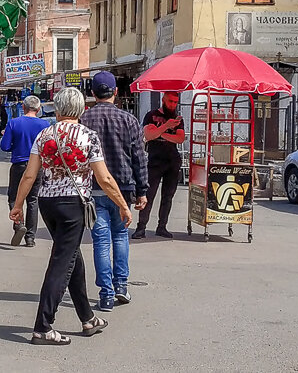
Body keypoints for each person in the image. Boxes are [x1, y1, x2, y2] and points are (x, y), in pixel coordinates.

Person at [10, 86, 128, 346]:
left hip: (47, 203)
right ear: (81, 109)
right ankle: (43, 325)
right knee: (61, 263)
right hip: (73, 205)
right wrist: (122, 204)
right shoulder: (88, 136)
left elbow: (29, 175)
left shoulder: (44, 135)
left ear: (58, 108)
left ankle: (87, 318)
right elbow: (104, 177)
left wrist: (18, 204)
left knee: (71, 255)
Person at [80, 71, 147, 312]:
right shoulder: (129, 120)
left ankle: (105, 294)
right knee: (120, 237)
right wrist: (142, 190)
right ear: (116, 92)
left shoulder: (84, 120)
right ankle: (121, 286)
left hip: (95, 187)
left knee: (100, 241)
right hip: (124, 188)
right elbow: (139, 158)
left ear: (92, 93)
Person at [135, 91, 186, 239]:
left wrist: (160, 133)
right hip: (155, 160)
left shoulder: (177, 119)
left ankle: (162, 226)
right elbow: (148, 135)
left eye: (175, 102)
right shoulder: (151, 115)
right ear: (163, 99)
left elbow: (180, 138)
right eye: (170, 101)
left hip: (172, 160)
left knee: (168, 196)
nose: (173, 105)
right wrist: (166, 126)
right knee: (148, 195)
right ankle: (141, 227)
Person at [1, 96, 50, 247]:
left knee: (14, 197)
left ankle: (18, 223)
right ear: (39, 109)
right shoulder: (45, 124)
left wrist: (15, 145)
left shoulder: (14, 123)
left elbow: (5, 146)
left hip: (19, 164)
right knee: (33, 200)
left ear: (23, 107)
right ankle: (30, 237)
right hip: (38, 165)